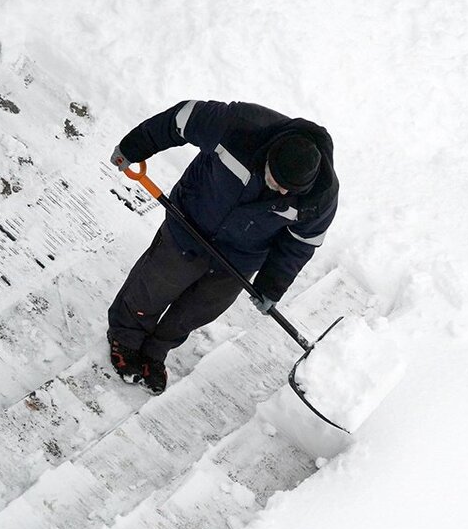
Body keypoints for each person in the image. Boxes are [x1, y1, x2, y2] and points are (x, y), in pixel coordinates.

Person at [106, 100, 338, 394]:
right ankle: (125, 338)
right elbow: (180, 119)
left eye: (288, 191)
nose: (280, 191)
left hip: (241, 257)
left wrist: (271, 286)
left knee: (197, 311)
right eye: (276, 181)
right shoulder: (241, 127)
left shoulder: (320, 197)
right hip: (190, 222)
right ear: (269, 156)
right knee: (154, 286)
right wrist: (132, 148)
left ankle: (155, 350)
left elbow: (300, 244)